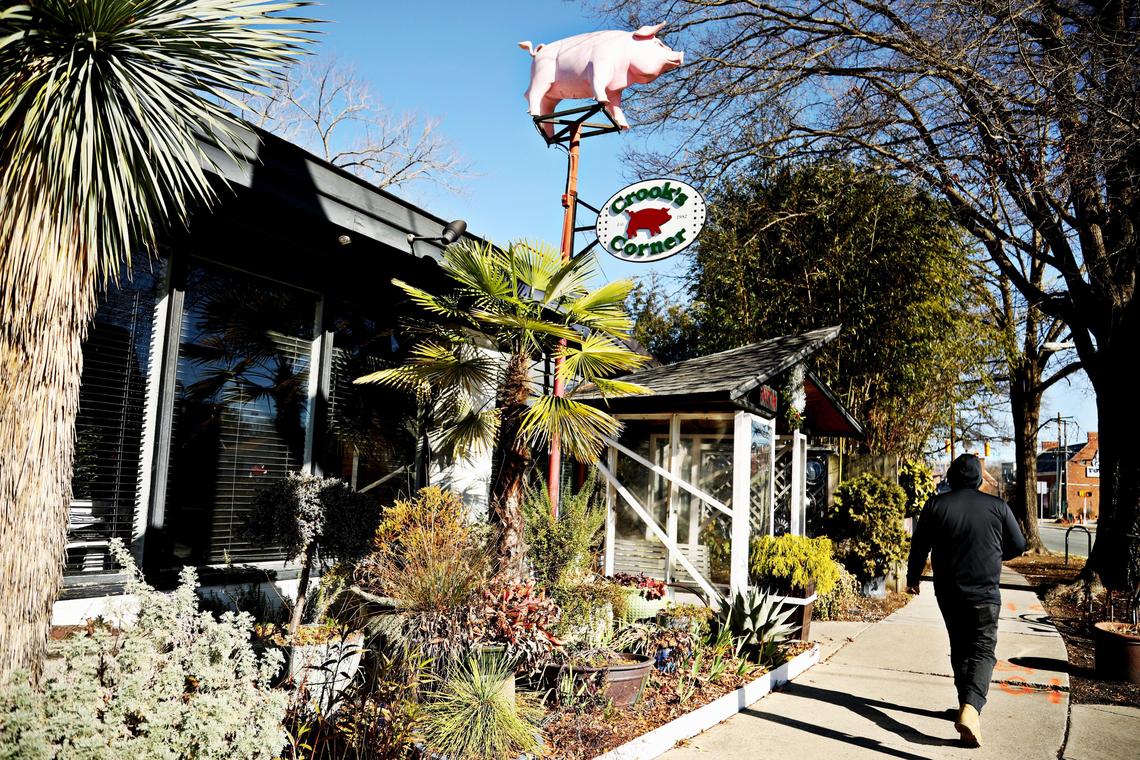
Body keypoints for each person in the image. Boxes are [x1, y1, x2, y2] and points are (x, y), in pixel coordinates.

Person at [905, 453, 1026, 748]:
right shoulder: (998, 507)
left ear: (952, 477)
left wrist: (913, 578)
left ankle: (965, 707)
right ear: (978, 479)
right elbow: (1019, 544)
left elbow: (919, 545)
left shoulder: (936, 505)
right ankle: (971, 708)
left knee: (960, 648)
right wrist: (997, 554)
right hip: (985, 593)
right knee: (983, 650)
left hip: (949, 592)